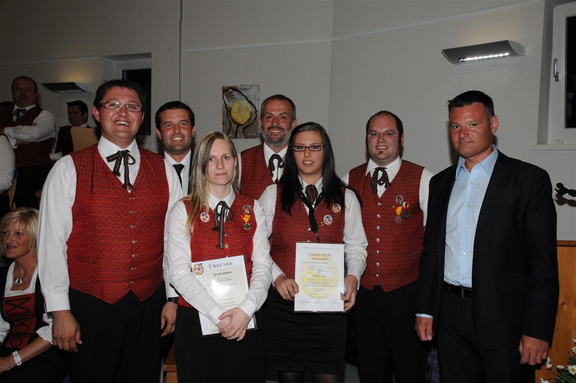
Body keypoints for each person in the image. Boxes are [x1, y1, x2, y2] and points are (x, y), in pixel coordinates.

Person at [37, 79, 183, 383]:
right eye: (113, 104)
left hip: (149, 302)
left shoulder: (164, 169)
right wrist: (59, 311)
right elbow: (51, 243)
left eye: (132, 106)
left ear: (142, 118)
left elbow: (175, 242)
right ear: (96, 113)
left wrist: (172, 298)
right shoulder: (67, 169)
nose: (123, 112)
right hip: (90, 304)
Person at [415, 90, 559, 383]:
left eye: (473, 124)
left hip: (504, 317)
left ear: (493, 124)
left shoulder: (528, 180)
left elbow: (543, 264)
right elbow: (431, 252)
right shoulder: (440, 183)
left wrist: (537, 330)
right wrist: (425, 309)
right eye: (455, 126)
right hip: (450, 316)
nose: (463, 134)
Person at [259, 122, 367, 383]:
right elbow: (257, 245)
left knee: (327, 378)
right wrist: (277, 277)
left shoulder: (346, 197)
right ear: (291, 153)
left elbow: (356, 246)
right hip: (284, 305)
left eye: (314, 147)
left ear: (325, 151)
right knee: (289, 377)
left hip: (329, 306)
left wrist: (353, 277)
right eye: (299, 148)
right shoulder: (273, 194)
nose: (307, 155)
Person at [166, 131, 272, 383]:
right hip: (197, 318)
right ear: (201, 166)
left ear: (236, 162)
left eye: (226, 157)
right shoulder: (183, 210)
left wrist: (246, 310)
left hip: (246, 317)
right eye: (211, 159)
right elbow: (179, 273)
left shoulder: (253, 207)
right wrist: (217, 315)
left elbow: (263, 266)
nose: (220, 165)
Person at [343, 111, 433, 383]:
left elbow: (433, 241)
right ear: (367, 139)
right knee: (370, 368)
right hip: (365, 294)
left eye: (388, 133)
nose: (381, 140)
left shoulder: (423, 178)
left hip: (407, 293)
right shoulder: (348, 179)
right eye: (374, 133)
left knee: (410, 369)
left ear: (401, 139)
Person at [0, 207, 67, 382]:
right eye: (5, 232)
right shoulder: (3, 277)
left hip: (45, 352)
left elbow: (54, 328)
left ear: (35, 238)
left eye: (18, 234)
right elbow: (1, 327)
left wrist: (11, 361)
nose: (9, 239)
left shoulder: (49, 274)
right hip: (9, 349)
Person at [0, 76, 56, 209]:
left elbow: (35, 133)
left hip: (32, 169)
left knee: (23, 194)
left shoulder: (45, 115)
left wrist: (5, 130)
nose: (22, 92)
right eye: (18, 89)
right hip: (3, 169)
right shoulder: (3, 114)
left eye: (27, 90)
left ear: (35, 95)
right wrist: (14, 140)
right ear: (13, 92)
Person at [239, 94, 298, 199]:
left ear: (293, 124)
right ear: (261, 123)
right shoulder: (240, 161)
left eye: (282, 117)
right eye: (269, 117)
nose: (275, 123)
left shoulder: (303, 161)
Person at [155, 101, 196, 194]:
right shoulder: (148, 169)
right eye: (168, 125)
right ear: (159, 134)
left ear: (193, 131)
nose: (176, 130)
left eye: (183, 124)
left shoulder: (207, 166)